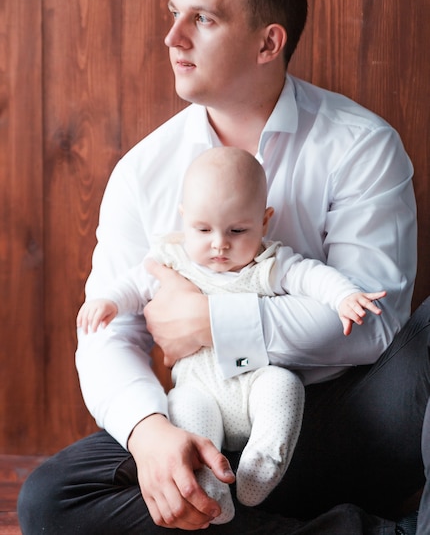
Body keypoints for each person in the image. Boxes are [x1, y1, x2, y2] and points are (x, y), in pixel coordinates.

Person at [17, 0, 427, 535]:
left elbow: (374, 323)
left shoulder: (361, 144)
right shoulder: (144, 170)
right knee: (53, 500)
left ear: (269, 42)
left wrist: (213, 321)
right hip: (213, 431)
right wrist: (149, 433)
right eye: (173, 14)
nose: (173, 36)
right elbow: (108, 332)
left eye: (202, 19)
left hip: (350, 427)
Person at [77, 146, 386, 524]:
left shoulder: (267, 261)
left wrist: (343, 296)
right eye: (203, 229)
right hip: (200, 388)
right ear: (184, 220)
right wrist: (109, 301)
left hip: (256, 379)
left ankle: (264, 460)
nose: (219, 244)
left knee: (284, 384)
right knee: (184, 410)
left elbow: (310, 275)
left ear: (264, 222)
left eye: (238, 230)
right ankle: (212, 485)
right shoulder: (174, 258)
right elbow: (133, 284)